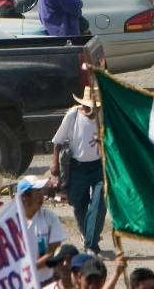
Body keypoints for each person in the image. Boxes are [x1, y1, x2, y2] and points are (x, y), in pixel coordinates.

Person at [50, 86, 105, 254]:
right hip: (77, 167)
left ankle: (91, 245)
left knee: (98, 203)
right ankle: (86, 233)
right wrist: (54, 164)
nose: (92, 110)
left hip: (98, 167)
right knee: (78, 204)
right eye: (89, 107)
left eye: (95, 107)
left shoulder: (102, 115)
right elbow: (58, 141)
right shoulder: (73, 115)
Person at [16, 176, 66, 286]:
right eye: (37, 191)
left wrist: (30, 269)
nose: (42, 195)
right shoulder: (12, 222)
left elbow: (54, 252)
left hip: (46, 282)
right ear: (25, 196)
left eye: (41, 191)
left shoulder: (49, 217)